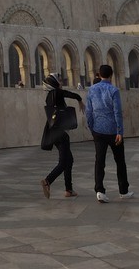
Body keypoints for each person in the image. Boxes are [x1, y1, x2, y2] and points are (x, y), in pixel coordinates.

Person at [84, 64, 131, 202]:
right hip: (113, 131)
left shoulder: (92, 89)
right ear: (111, 75)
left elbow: (88, 111)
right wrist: (120, 131)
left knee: (100, 161)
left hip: (98, 130)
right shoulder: (113, 90)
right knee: (120, 161)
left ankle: (99, 191)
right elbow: (117, 112)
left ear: (99, 74)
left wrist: (91, 127)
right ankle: (123, 191)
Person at [39, 75, 84, 198]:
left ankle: (68, 190)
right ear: (53, 83)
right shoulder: (57, 92)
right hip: (60, 134)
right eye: (58, 80)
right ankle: (47, 181)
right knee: (64, 161)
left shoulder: (49, 96)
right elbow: (69, 94)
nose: (60, 81)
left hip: (53, 132)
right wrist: (80, 99)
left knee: (68, 160)